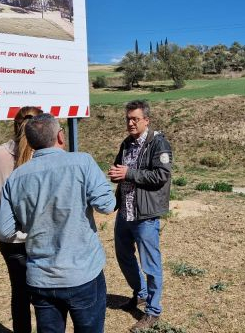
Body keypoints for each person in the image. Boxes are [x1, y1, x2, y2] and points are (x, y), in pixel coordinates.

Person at [0, 113, 116, 333]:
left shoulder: (17, 177)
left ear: (30, 143)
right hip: (83, 274)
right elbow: (106, 205)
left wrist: (27, 222)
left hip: (41, 279)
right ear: (60, 136)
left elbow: (3, 230)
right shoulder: (82, 162)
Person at [108, 100, 172, 332]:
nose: (131, 122)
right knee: (124, 256)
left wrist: (129, 173)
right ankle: (141, 294)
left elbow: (161, 175)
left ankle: (153, 311)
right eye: (128, 118)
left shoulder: (159, 143)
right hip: (125, 212)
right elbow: (120, 168)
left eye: (135, 118)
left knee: (150, 263)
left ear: (147, 120)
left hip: (145, 215)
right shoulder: (126, 144)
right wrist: (116, 174)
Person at [0, 106, 42, 333]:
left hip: (7, 237)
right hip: (37, 234)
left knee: (19, 293)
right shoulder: (42, 158)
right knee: (42, 293)